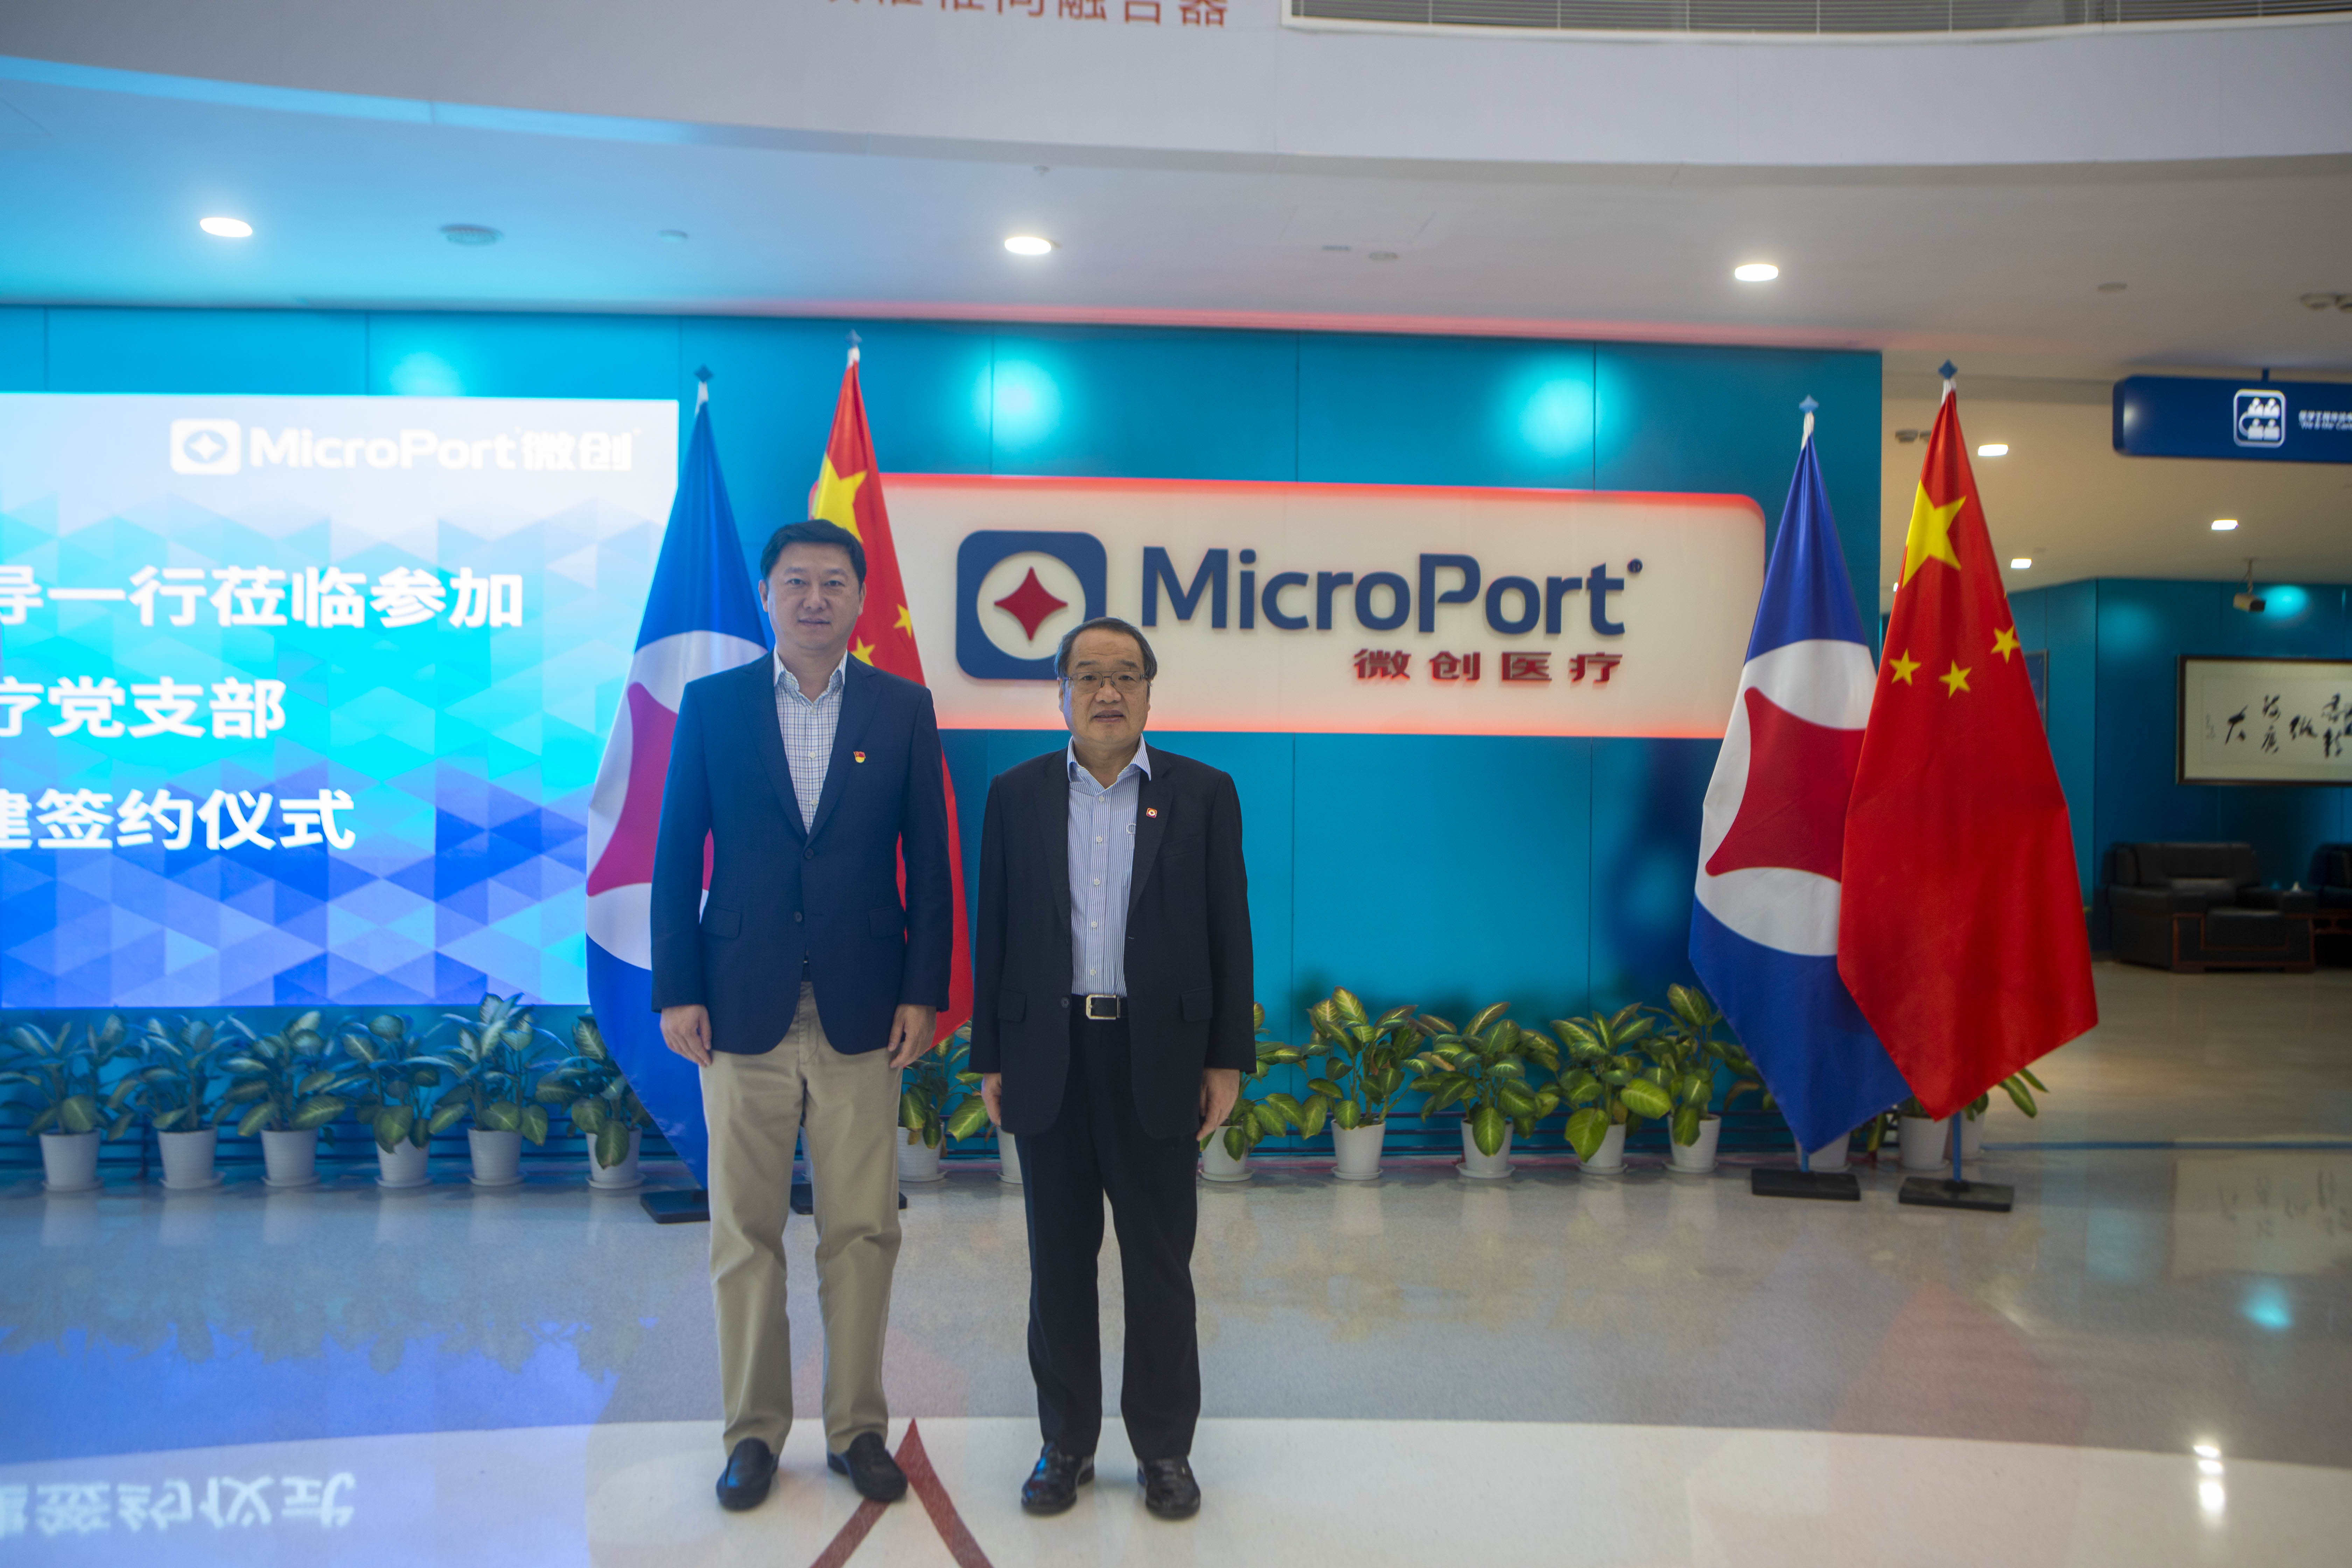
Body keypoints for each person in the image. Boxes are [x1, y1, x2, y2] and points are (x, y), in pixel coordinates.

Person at [649, 518, 952, 1513]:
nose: (814, 598)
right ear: (768, 596)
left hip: (865, 1009)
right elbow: (675, 851)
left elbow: (931, 861)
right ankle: (752, 1435)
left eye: (832, 582)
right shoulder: (714, 705)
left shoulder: (903, 708)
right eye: (796, 582)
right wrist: (677, 986)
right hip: (740, 1007)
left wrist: (924, 990)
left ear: (860, 599)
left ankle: (858, 1429)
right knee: (745, 1230)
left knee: (862, 1229)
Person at [969, 615, 1253, 1522]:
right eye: (1088, 675)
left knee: (1160, 1266)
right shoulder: (1015, 796)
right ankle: (1066, 1444)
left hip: (1158, 1057)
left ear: (1148, 693)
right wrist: (990, 1056)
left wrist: (1227, 1059)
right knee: (1058, 1265)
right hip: (1050, 1056)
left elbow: (1230, 933)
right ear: (1059, 692)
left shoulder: (1203, 793)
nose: (1106, 691)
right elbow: (994, 934)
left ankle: (1165, 1451)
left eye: (1125, 675)